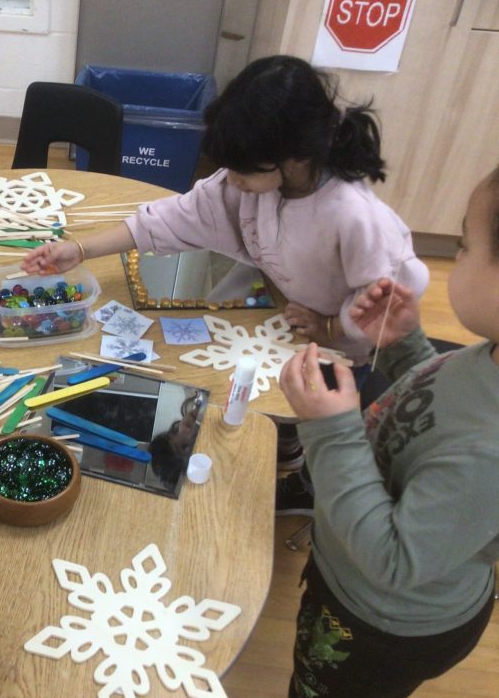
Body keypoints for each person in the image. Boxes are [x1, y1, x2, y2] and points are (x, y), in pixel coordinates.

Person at [23, 54, 430, 511]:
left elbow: (388, 305)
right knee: (271, 407)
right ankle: (289, 455)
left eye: (243, 170)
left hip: (343, 347)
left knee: (310, 422)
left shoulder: (356, 215)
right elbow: (171, 218)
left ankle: (305, 484)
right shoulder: (252, 180)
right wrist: (80, 249)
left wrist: (330, 326)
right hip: (290, 314)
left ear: (294, 156)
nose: (231, 181)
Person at [235, 165, 499, 698]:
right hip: (349, 580)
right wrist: (404, 345)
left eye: (465, 244)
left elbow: (393, 560)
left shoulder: (491, 454)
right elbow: (435, 407)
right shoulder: (490, 358)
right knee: (321, 690)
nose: (455, 255)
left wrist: (331, 431)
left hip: (385, 622)